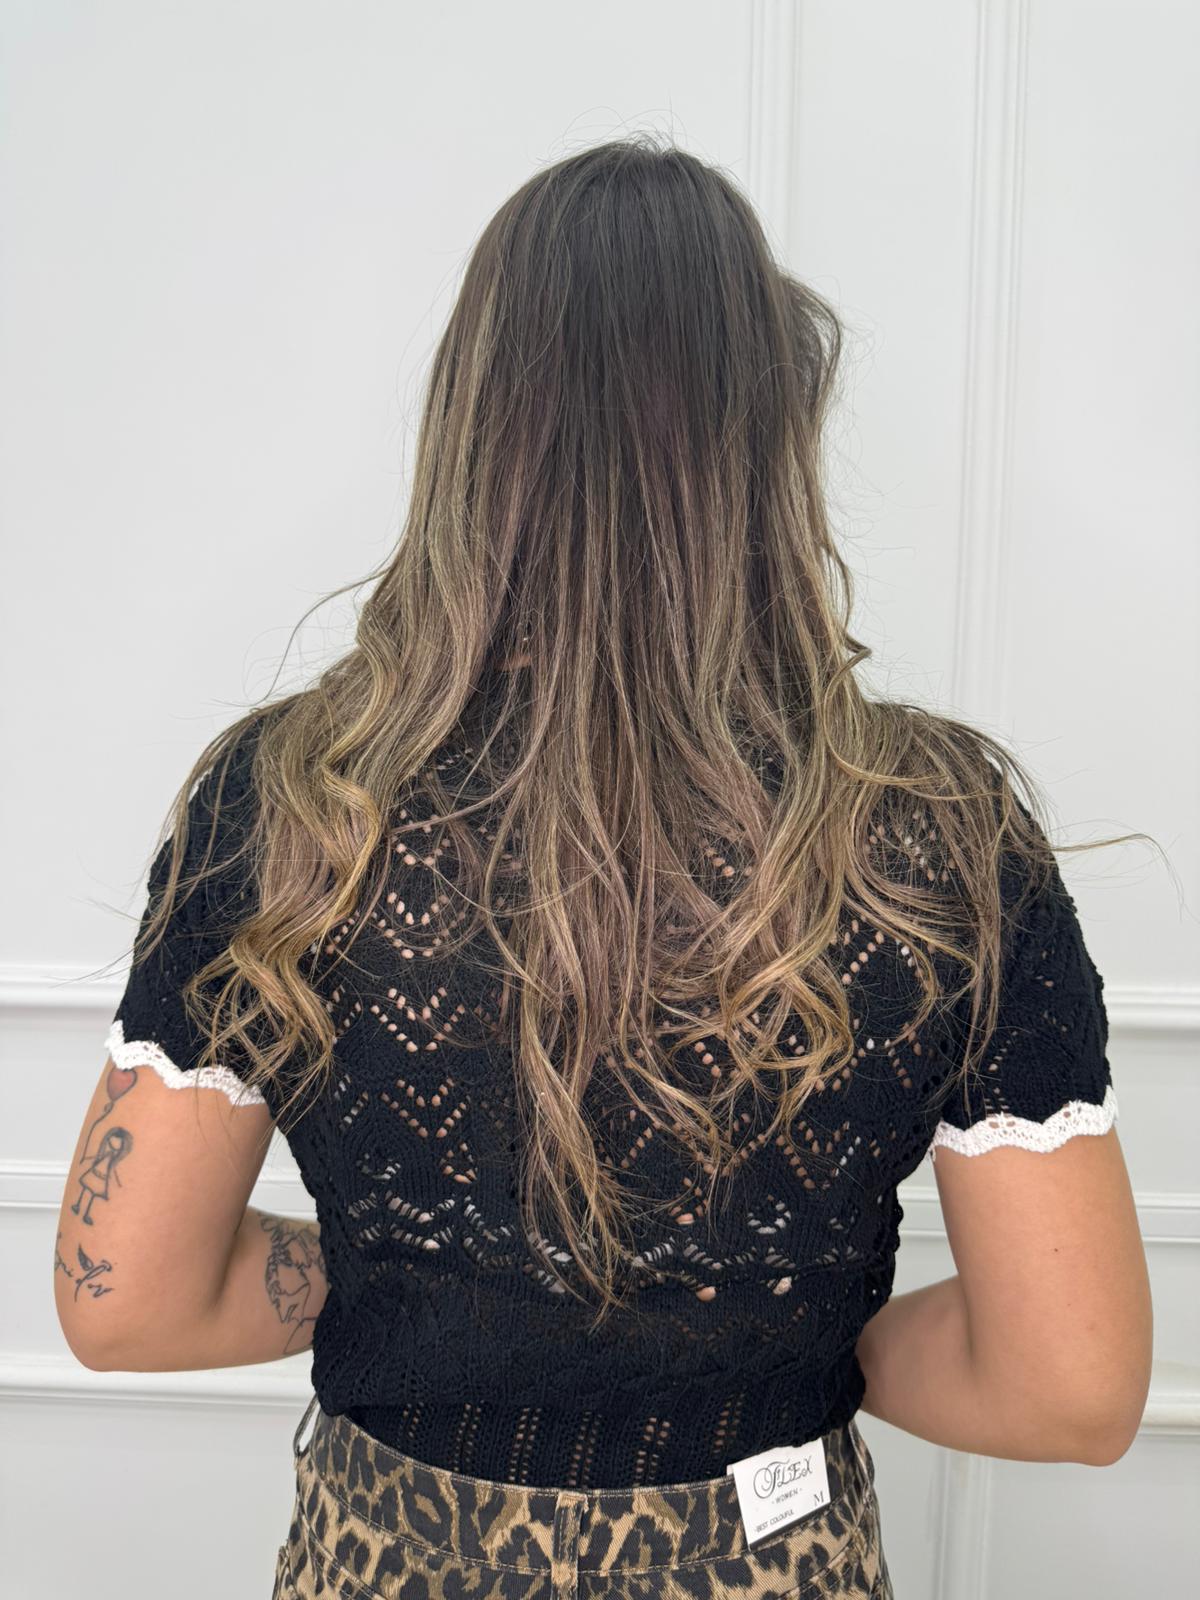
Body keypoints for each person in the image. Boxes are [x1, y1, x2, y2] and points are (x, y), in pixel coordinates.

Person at [55, 136, 1154, 1599]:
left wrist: (406, 1293)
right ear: (771, 437)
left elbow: (123, 1301)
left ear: (472, 426)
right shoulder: (933, 835)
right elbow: (1069, 1388)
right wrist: (808, 1341)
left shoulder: (294, 803)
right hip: (772, 1555)